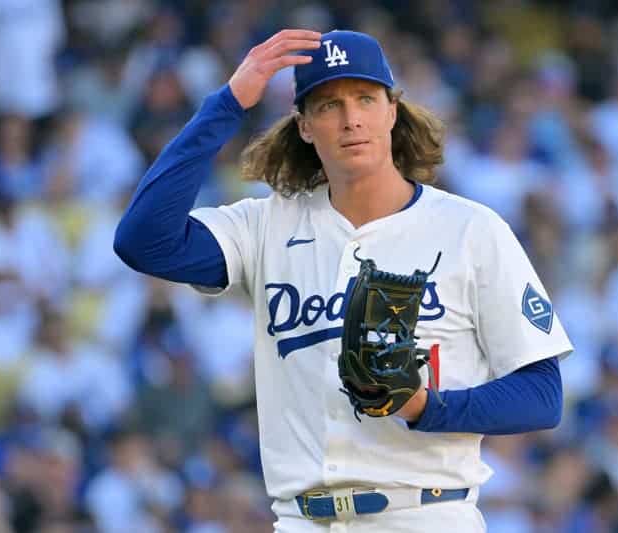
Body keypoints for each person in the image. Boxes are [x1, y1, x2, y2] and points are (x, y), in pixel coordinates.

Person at [114, 29, 573, 532]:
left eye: (365, 99)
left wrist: (426, 406)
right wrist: (228, 103)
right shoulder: (266, 226)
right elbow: (143, 240)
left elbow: (541, 396)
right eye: (329, 105)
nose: (351, 118)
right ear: (304, 126)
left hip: (424, 513)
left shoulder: (470, 230)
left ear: (392, 110)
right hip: (301, 519)